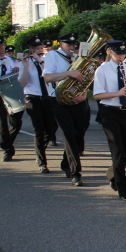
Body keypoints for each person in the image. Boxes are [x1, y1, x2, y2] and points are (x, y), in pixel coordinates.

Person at [93, 40, 126, 202]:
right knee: (118, 151)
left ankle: (113, 172)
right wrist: (118, 93)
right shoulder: (102, 69)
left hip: (125, 111)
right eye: (117, 54)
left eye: (123, 54)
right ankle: (122, 188)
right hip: (109, 111)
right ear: (109, 53)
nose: (121, 57)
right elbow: (97, 95)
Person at [42, 32, 87, 186]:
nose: (72, 47)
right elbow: (47, 77)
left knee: (79, 135)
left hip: (78, 100)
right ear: (61, 44)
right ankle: (75, 173)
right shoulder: (52, 56)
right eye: (68, 45)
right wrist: (69, 73)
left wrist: (84, 95)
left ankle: (65, 164)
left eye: (73, 44)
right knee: (69, 135)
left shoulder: (78, 57)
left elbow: (86, 79)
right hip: (59, 100)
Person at [18, 35, 56, 173]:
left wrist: (41, 61)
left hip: (47, 98)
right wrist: (25, 67)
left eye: (41, 48)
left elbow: (51, 77)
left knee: (51, 129)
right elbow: (23, 83)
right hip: (32, 98)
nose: (40, 50)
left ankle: (39, 149)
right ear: (31, 49)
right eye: (37, 48)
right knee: (39, 130)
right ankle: (42, 162)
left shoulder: (46, 61)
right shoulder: (25, 62)